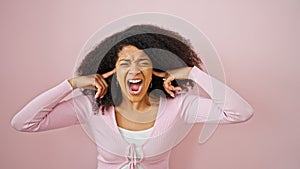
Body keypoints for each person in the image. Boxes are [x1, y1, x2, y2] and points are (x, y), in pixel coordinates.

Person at [11, 24, 254, 169]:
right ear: (112, 71)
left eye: (143, 62)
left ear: (155, 70)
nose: (134, 70)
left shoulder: (180, 106)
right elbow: (24, 123)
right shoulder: (91, 106)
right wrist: (71, 84)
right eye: (125, 63)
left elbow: (241, 112)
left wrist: (191, 72)